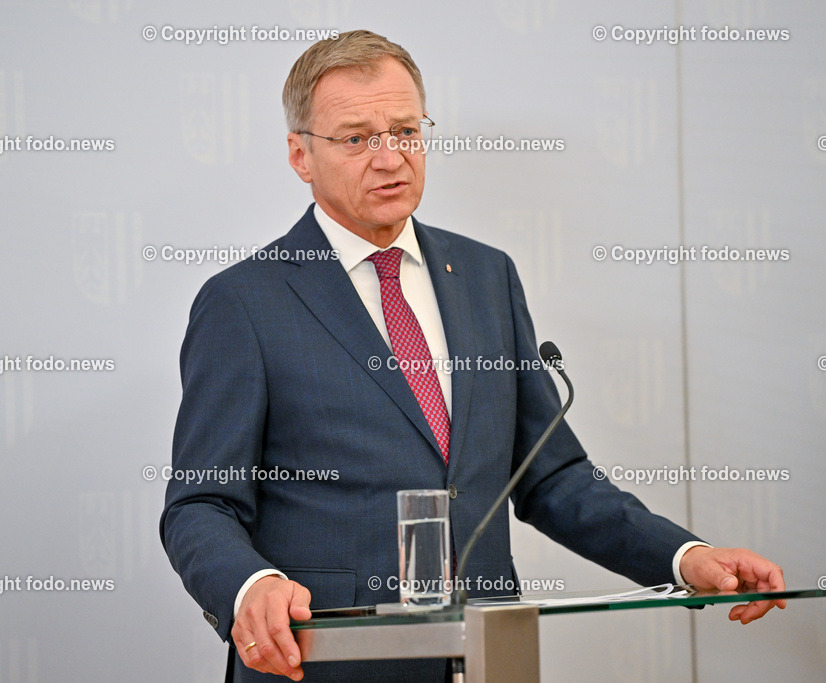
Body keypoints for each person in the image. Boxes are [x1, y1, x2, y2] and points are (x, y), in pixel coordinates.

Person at [160, 29, 786, 682]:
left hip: (485, 660)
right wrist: (251, 585)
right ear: (300, 154)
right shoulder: (244, 302)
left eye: (405, 130)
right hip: (323, 664)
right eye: (356, 138)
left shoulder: (486, 276)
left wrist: (685, 557)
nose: (389, 157)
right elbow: (201, 505)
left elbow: (553, 477)